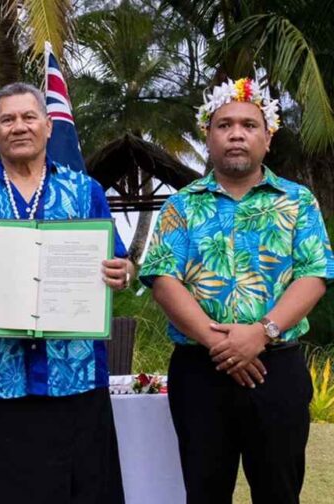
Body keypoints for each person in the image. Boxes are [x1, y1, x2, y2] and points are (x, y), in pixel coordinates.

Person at [139, 76, 334, 504]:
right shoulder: (181, 206)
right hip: (199, 371)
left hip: (276, 367)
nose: (236, 134)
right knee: (204, 491)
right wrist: (219, 343)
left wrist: (259, 333)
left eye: (249, 125)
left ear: (268, 138)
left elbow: (314, 272)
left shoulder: (297, 201)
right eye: (224, 125)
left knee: (279, 491)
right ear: (208, 138)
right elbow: (162, 279)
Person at [0, 82, 133, 504]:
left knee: (85, 490)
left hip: (74, 378)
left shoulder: (85, 192)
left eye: (29, 117)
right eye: (7, 119)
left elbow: (119, 261)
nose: (19, 127)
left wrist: (123, 271)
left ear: (47, 126)